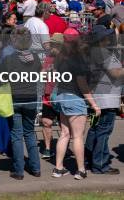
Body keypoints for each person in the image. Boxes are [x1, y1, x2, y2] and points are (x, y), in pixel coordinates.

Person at [51, 30, 100, 180]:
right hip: (74, 98)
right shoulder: (77, 59)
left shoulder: (59, 57)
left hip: (61, 96)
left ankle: (58, 168)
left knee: (65, 134)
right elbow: (82, 84)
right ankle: (81, 170)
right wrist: (94, 105)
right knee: (77, 136)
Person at [1, 27, 41, 180]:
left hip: (15, 98)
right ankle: (35, 168)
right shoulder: (35, 58)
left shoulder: (9, 59)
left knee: (17, 135)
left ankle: (19, 170)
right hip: (31, 97)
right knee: (30, 133)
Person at [85, 25, 124, 175]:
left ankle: (90, 159)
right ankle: (100, 164)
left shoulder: (95, 52)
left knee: (95, 129)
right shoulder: (103, 52)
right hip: (106, 99)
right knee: (103, 132)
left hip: (99, 97)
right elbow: (115, 73)